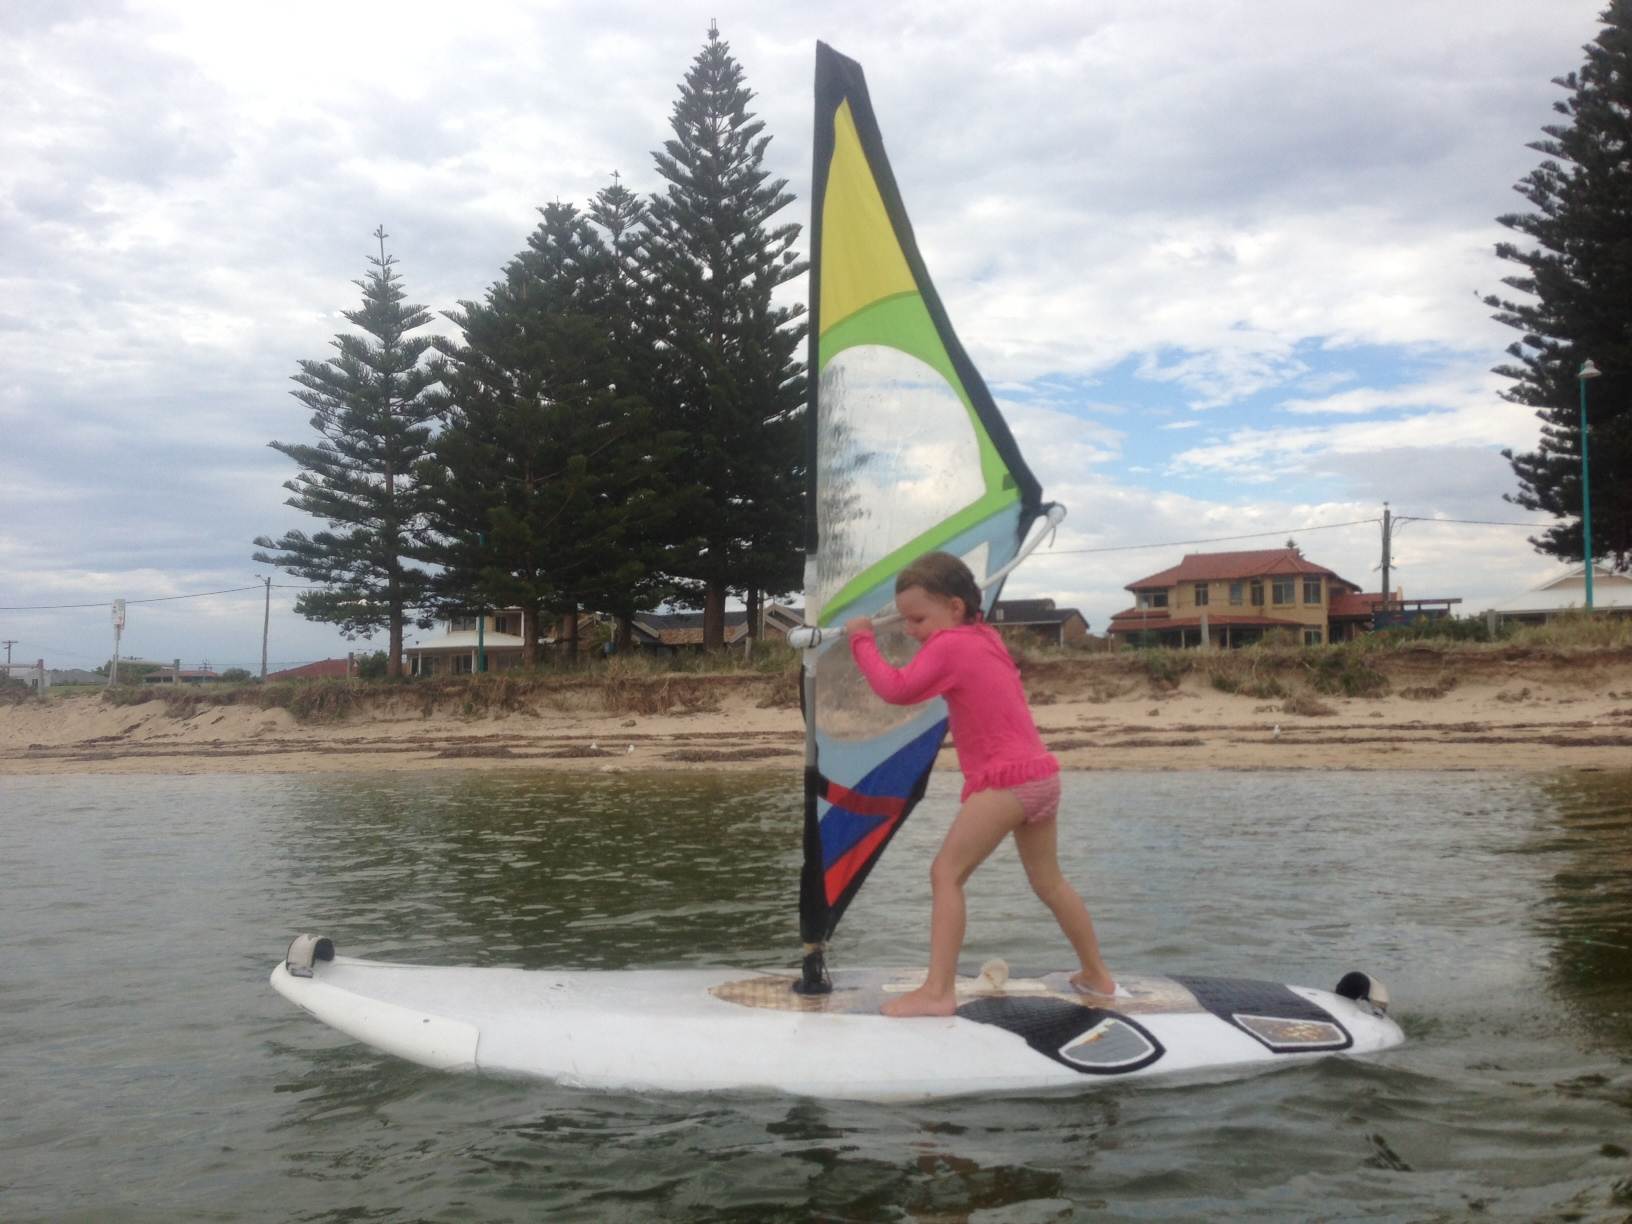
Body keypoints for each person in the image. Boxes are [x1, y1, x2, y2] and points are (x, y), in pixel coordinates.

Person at [844, 550, 1120, 1018]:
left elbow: (897, 689)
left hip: (1006, 782)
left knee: (946, 873)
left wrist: (860, 640)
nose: (909, 629)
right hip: (1041, 777)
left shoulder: (950, 645)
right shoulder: (984, 637)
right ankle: (1097, 973)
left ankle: (938, 992)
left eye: (918, 619)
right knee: (1049, 882)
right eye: (905, 620)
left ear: (955, 607)